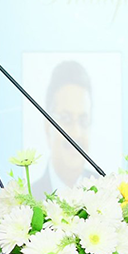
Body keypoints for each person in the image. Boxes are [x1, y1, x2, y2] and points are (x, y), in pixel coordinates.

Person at [32, 60, 95, 196]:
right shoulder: (27, 198)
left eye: (83, 121)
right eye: (66, 119)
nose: (76, 133)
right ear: (47, 127)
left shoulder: (108, 193)